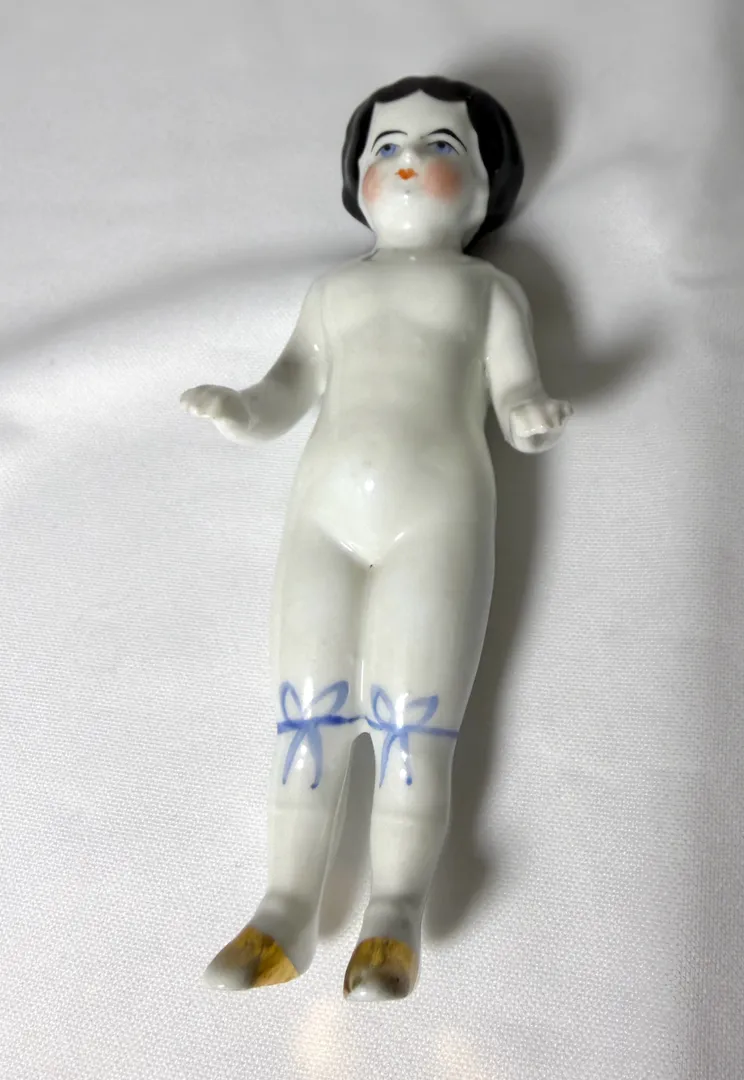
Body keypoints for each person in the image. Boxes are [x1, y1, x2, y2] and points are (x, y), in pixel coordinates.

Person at [181, 75, 572, 1001]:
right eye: (386, 147)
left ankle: (394, 913)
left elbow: (515, 386)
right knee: (305, 717)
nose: (407, 162)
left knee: (411, 724)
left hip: (436, 522)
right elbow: (287, 384)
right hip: (321, 520)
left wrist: (528, 415)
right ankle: (282, 906)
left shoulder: (488, 291)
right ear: (354, 178)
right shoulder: (334, 292)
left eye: (441, 147)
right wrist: (243, 410)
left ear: (485, 189)